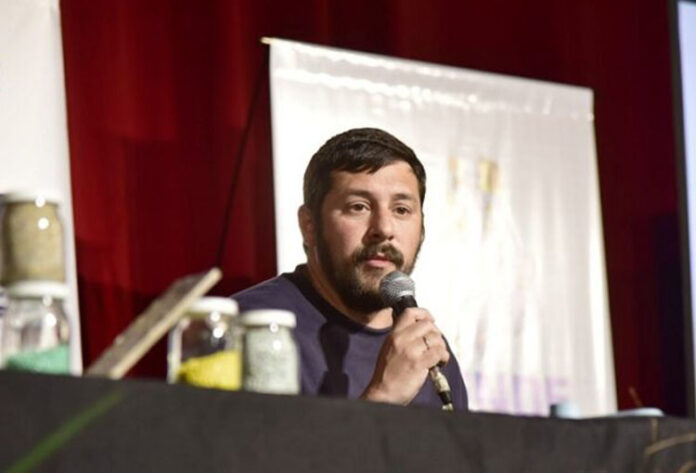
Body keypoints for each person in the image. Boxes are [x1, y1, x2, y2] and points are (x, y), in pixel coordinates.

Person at [233, 128, 468, 409]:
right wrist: (384, 397)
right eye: (359, 207)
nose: (384, 228)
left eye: (401, 210)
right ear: (309, 226)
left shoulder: (429, 351)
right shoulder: (247, 328)